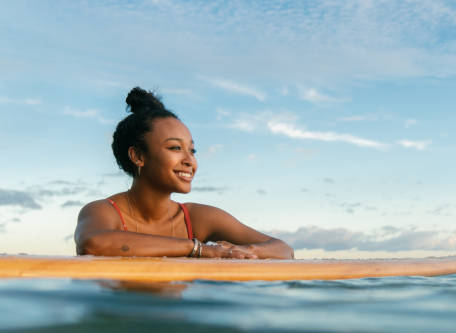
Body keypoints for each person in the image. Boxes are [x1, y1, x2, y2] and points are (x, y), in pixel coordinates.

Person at [75, 87, 294, 260]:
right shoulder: (103, 211)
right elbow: (93, 244)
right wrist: (199, 249)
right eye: (175, 148)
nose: (190, 161)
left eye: (192, 150)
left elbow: (283, 250)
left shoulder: (199, 219)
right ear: (138, 156)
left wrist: (240, 250)